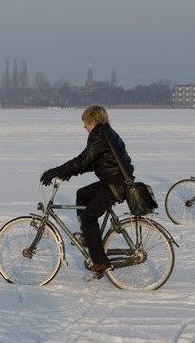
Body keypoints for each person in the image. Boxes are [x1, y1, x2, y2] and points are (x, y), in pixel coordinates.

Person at [40, 105, 133, 277]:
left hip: (115, 184)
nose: (84, 126)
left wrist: (57, 171)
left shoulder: (98, 135)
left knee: (89, 218)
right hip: (116, 181)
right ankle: (88, 237)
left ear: (94, 120)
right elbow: (93, 161)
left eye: (86, 122)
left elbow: (84, 160)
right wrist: (70, 172)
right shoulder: (106, 132)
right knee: (82, 194)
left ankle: (100, 262)